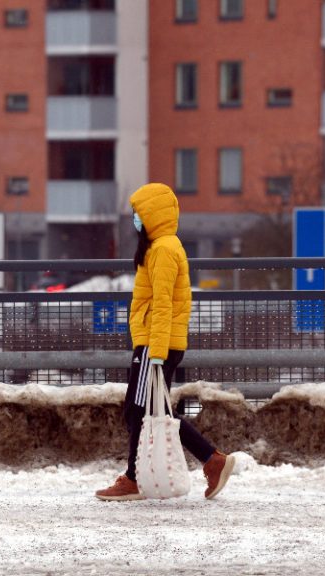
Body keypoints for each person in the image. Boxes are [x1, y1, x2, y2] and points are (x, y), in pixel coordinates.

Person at [95, 182, 236, 502]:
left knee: (138, 410)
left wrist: (154, 352)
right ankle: (212, 460)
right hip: (155, 342)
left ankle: (134, 479)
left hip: (155, 345)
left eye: (138, 214)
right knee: (148, 410)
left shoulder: (162, 250)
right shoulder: (161, 247)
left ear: (151, 215)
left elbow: (163, 304)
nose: (135, 220)